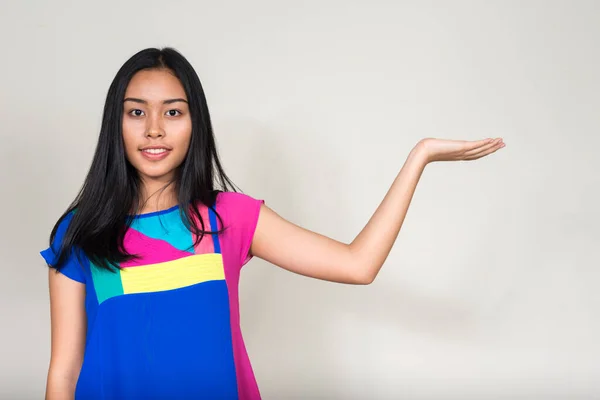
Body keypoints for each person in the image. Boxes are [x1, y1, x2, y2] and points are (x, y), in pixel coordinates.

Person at [41, 47, 505, 400]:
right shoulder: (80, 234)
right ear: (116, 123)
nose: (155, 129)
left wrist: (418, 157)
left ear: (194, 123)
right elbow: (65, 369)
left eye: (174, 112)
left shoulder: (230, 218)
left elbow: (358, 264)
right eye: (137, 111)